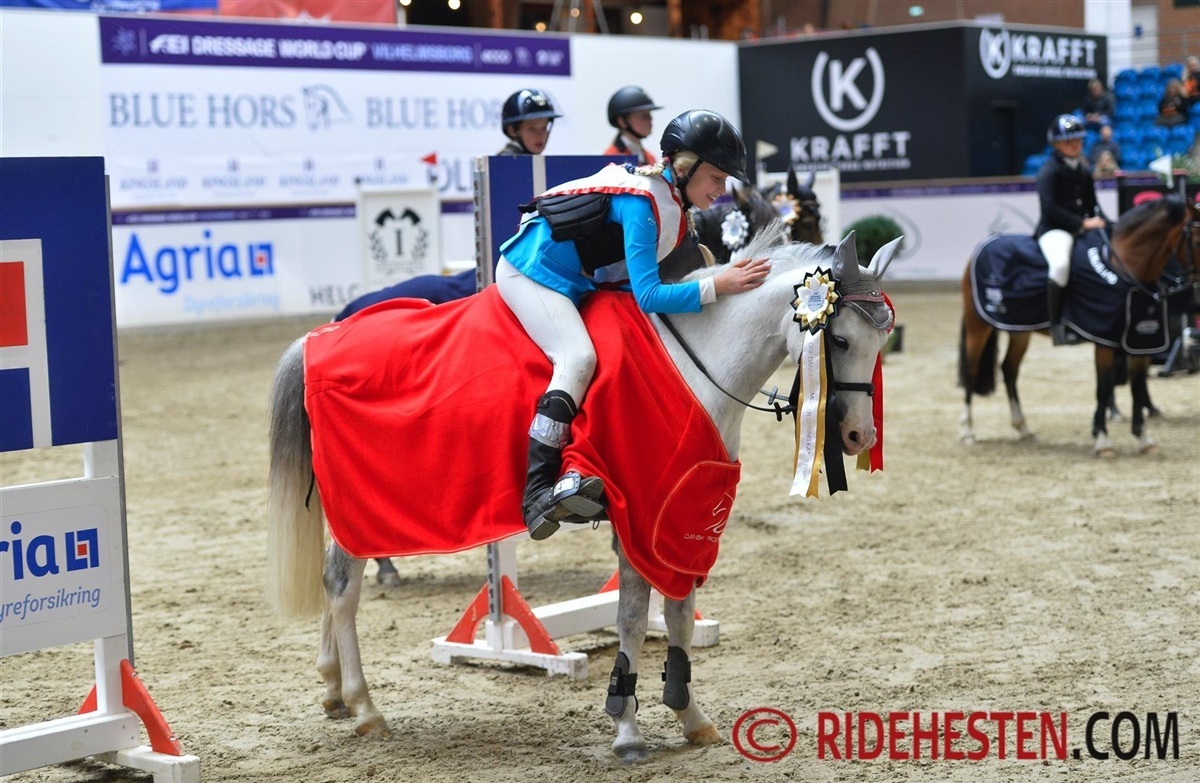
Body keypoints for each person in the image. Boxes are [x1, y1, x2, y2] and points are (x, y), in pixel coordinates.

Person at [497, 109, 771, 539]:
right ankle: (537, 493)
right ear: (686, 167)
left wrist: (718, 281)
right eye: (717, 177)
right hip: (531, 271)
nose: (722, 189)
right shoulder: (644, 202)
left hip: (574, 280)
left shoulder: (672, 200)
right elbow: (648, 296)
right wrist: (719, 284)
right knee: (578, 357)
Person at [1035, 114, 1110, 345]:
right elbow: (1049, 209)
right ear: (1056, 144)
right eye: (1068, 141)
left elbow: (1093, 205)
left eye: (1078, 140)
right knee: (1060, 266)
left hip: (1081, 230)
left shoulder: (1084, 171)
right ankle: (1056, 325)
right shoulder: (1048, 171)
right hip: (1055, 230)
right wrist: (1082, 224)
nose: (1075, 145)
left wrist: (1108, 223)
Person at [602, 86, 663, 164]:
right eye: (643, 115)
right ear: (622, 121)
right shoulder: (611, 159)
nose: (650, 119)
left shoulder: (650, 158)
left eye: (649, 114)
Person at [500, 88, 562, 155]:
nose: (539, 135)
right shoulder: (505, 160)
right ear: (512, 131)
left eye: (544, 128)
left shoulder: (533, 159)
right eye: (531, 128)